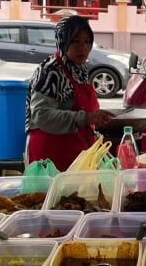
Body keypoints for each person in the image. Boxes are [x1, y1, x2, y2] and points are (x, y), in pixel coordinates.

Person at [25, 16, 112, 170]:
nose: (83, 48)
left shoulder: (80, 70)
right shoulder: (50, 71)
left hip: (78, 153)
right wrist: (85, 118)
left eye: (87, 42)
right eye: (76, 41)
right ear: (63, 42)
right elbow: (41, 115)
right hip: (52, 156)